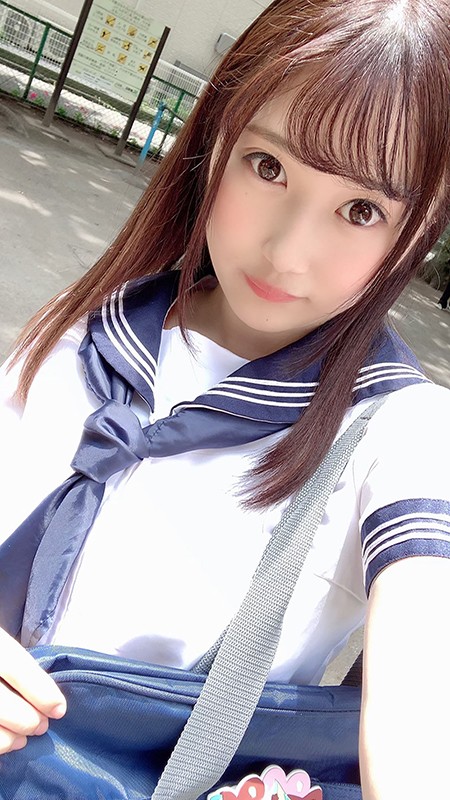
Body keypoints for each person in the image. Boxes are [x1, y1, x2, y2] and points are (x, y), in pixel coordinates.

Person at [0, 0, 450, 797]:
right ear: (217, 139)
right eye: (268, 167)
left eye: (361, 210)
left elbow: (420, 733)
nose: (287, 251)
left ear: (417, 232)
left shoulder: (401, 431)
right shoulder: (84, 330)